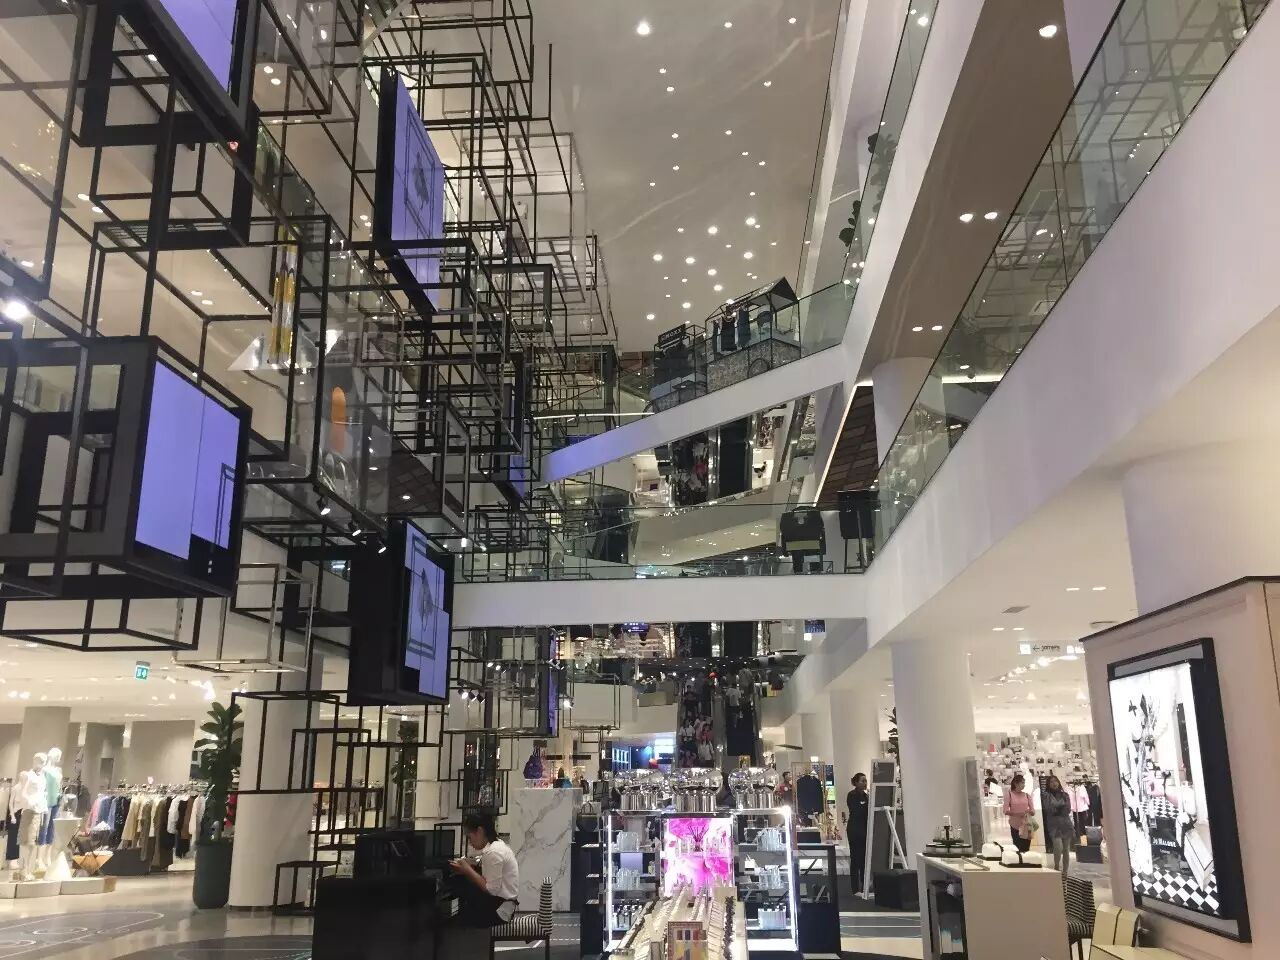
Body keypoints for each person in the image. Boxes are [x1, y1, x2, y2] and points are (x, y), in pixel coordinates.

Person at [449, 811, 519, 927]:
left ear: (480, 831)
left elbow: (491, 890)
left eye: (469, 837)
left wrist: (467, 870)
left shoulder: (494, 852)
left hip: (500, 912)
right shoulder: (496, 846)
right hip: (502, 906)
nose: (470, 842)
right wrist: (469, 866)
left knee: (455, 921)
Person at [1042, 775, 1074, 875]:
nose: (1054, 783)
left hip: (1066, 824)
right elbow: (1049, 809)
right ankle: (1056, 867)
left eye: (1055, 781)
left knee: (1066, 849)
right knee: (1058, 847)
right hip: (1054, 825)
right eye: (1051, 781)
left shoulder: (1065, 795)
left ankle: (1065, 872)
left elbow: (1067, 809)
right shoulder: (1046, 795)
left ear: (1058, 782)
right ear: (1048, 784)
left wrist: (1056, 807)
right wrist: (1060, 806)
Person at [844, 774, 870, 895]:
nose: (865, 783)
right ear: (856, 782)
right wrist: (865, 806)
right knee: (855, 858)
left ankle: (864, 885)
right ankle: (855, 888)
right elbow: (857, 810)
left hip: (865, 829)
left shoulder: (866, 796)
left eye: (866, 781)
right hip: (854, 830)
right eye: (862, 781)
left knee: (864, 858)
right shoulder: (852, 795)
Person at [1003, 774, 1035, 853]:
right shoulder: (1009, 794)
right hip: (1015, 826)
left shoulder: (1027, 795)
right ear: (1016, 783)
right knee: (1017, 849)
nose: (1024, 785)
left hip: (1026, 825)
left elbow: (1033, 811)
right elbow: (1005, 811)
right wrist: (1017, 814)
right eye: (1022, 783)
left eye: (1024, 783)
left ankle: (1026, 860)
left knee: (1026, 849)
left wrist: (1029, 811)